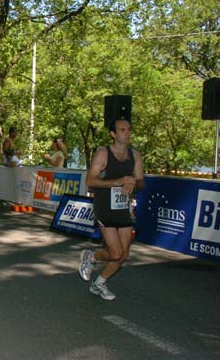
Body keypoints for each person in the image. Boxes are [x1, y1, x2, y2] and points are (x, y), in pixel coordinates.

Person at [78, 119, 145, 301]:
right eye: (122, 130)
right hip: (104, 205)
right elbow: (90, 181)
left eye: (129, 129)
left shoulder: (135, 155)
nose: (127, 133)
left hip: (122, 206)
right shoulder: (103, 153)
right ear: (113, 134)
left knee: (123, 255)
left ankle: (98, 283)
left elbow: (141, 183)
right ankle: (92, 255)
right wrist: (117, 182)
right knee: (115, 252)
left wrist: (133, 182)